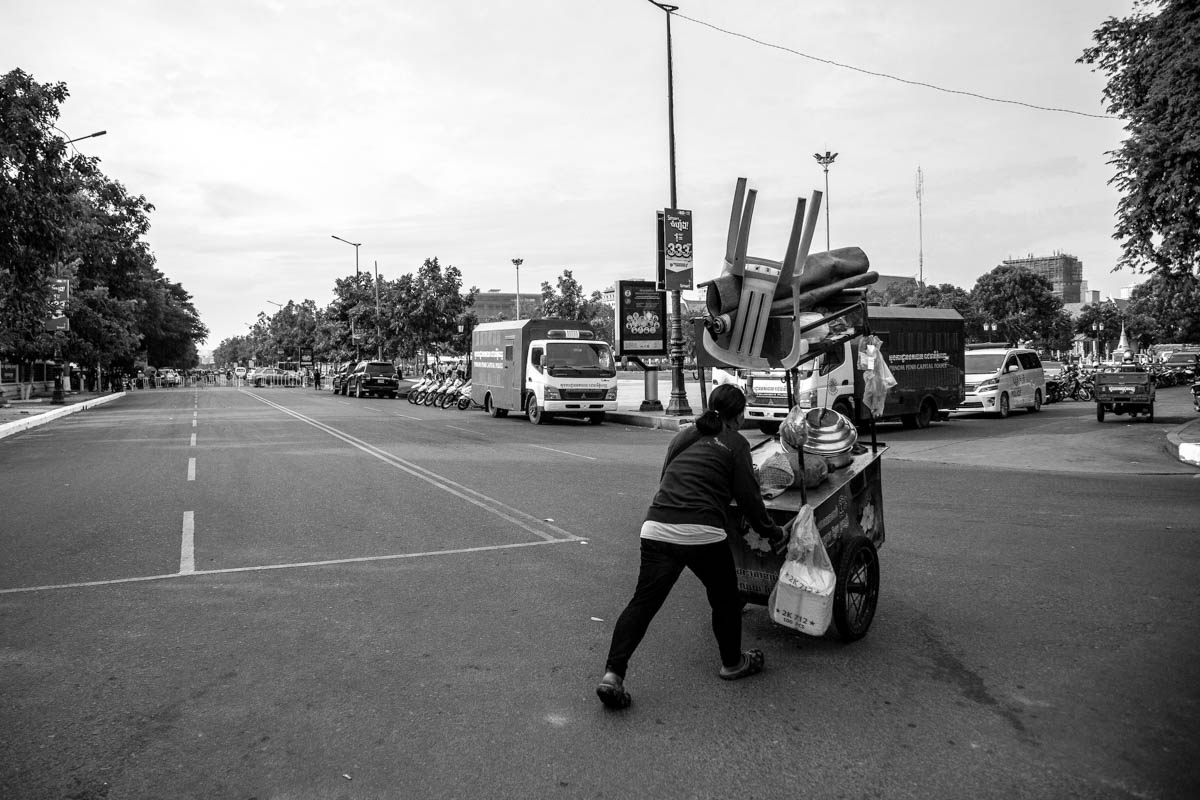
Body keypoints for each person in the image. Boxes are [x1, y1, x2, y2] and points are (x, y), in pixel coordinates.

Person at [596, 383, 787, 710]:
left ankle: (613, 674)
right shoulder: (736, 443)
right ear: (738, 417)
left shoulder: (683, 436)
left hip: (657, 526)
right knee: (725, 599)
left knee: (643, 603)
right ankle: (732, 663)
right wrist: (773, 532)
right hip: (701, 531)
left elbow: (666, 479)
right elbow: (750, 501)